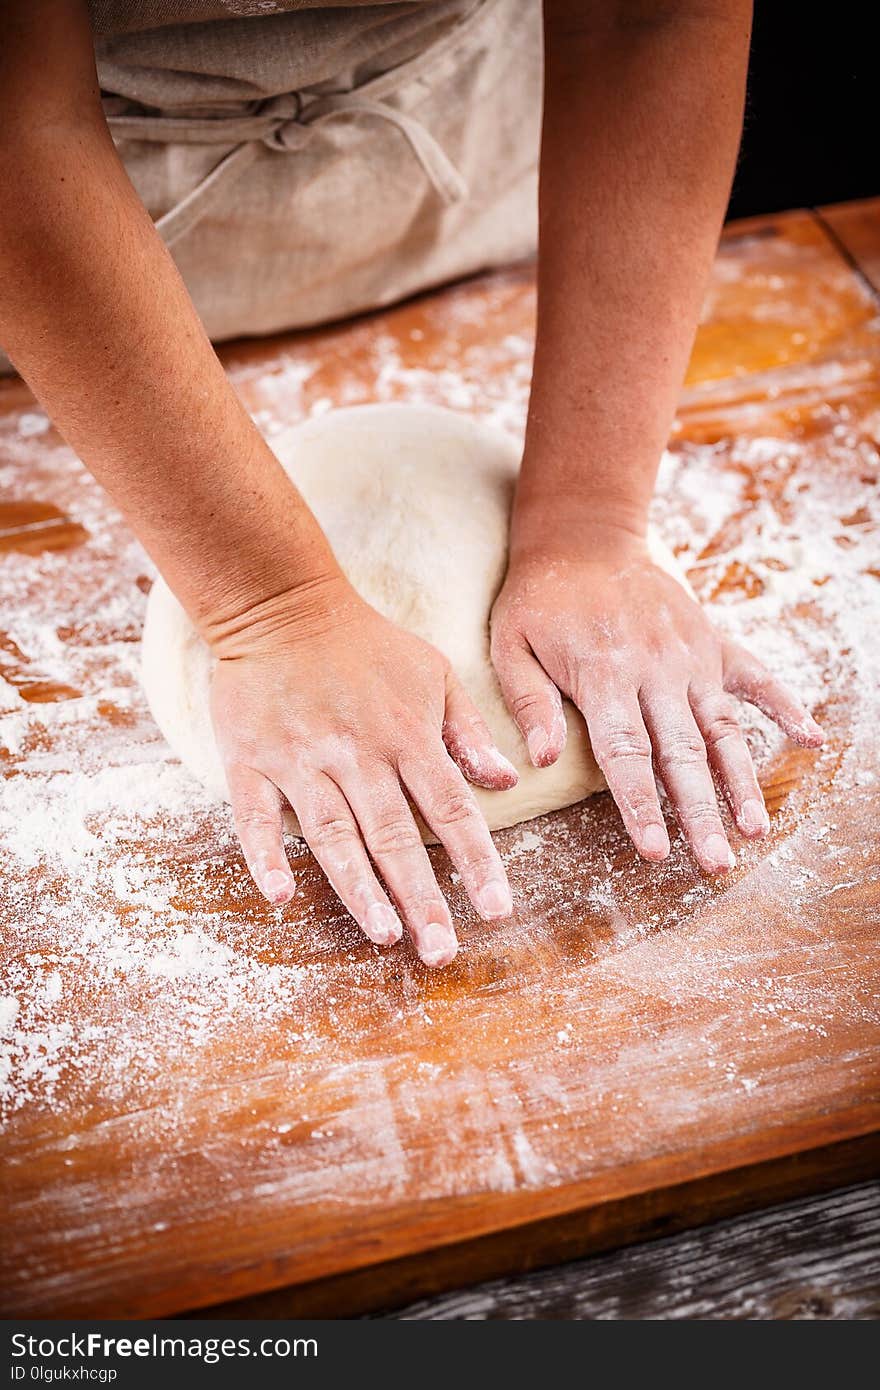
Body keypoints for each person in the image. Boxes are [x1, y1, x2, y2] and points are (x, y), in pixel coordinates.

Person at [0, 0, 823, 969]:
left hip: (449, 166)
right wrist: (271, 608)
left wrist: (591, 520)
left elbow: (647, 18)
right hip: (67, 238)